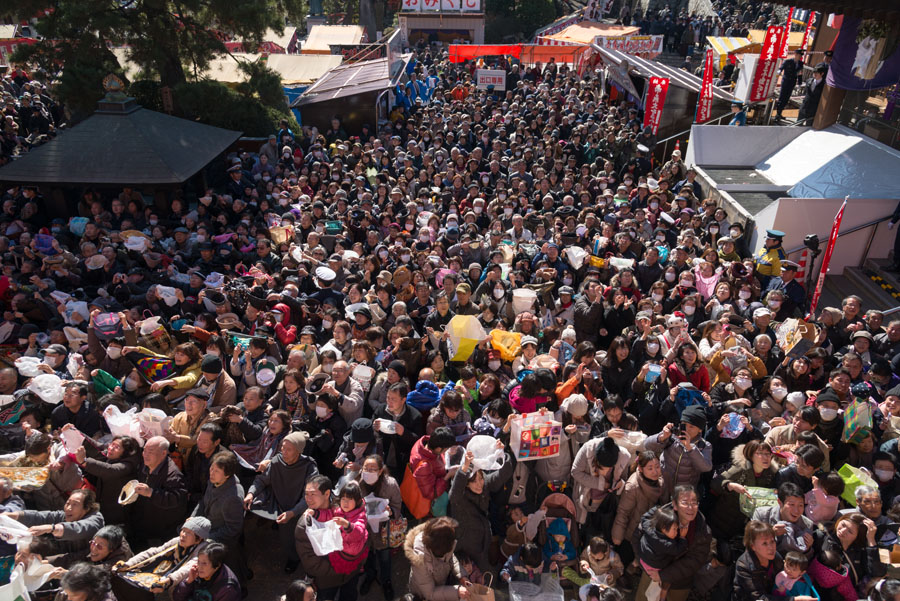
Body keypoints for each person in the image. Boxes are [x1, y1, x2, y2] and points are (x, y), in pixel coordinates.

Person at [404, 516, 470, 601]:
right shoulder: (420, 562)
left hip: (440, 585)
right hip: (423, 594)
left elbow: (450, 558)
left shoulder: (441, 546)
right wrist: (457, 591)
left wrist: (462, 576)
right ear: (441, 549)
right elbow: (430, 594)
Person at [172, 542, 242, 601]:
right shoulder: (197, 573)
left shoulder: (227, 589)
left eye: (204, 563)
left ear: (217, 565)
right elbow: (177, 598)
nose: (199, 566)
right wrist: (188, 582)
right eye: (198, 561)